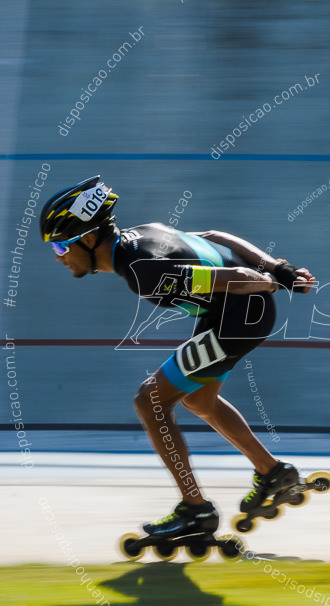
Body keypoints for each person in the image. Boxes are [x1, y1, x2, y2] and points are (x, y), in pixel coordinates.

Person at [40, 175, 315, 541]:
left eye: (60, 248)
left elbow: (235, 276)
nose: (59, 258)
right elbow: (217, 237)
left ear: (88, 239)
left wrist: (274, 279)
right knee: (199, 399)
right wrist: (278, 267)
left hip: (237, 317)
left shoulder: (143, 272)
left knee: (150, 400)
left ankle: (196, 511)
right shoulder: (142, 233)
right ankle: (272, 474)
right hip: (230, 312)